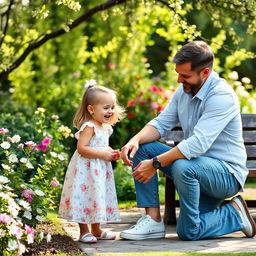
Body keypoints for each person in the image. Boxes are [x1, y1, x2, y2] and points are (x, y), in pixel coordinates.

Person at [120, 41, 256, 241]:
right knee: (144, 149)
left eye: (184, 76)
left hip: (225, 176)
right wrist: (135, 139)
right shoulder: (184, 91)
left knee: (188, 226)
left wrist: (156, 164)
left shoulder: (221, 95)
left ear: (205, 73)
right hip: (193, 171)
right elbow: (161, 123)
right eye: (178, 73)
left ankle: (234, 213)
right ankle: (153, 221)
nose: (178, 80)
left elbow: (197, 144)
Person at [58, 80, 125, 243]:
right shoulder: (89, 126)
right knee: (84, 196)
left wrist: (110, 152)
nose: (110, 111)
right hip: (86, 170)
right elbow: (82, 148)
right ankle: (83, 231)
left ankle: (96, 229)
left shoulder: (105, 127)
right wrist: (103, 155)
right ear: (91, 109)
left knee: (97, 196)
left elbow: (103, 146)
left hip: (99, 170)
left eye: (112, 107)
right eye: (106, 108)